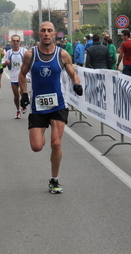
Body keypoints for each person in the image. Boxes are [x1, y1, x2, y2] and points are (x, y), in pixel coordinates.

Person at [18, 21, 83, 194]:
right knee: (37, 146)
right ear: (38, 34)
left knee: (56, 143)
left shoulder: (62, 55)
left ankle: (54, 180)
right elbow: (22, 75)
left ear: (55, 34)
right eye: (43, 31)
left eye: (50, 31)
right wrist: (24, 94)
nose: (46, 33)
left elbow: (73, 74)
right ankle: (42, 131)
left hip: (58, 104)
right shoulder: (30, 55)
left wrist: (77, 84)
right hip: (38, 107)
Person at [3, 34, 28, 119]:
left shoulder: (24, 51)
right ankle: (18, 111)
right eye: (14, 41)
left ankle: (23, 105)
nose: (15, 42)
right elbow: (2, 65)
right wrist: (5, 63)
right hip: (13, 76)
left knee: (23, 93)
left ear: (20, 42)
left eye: (17, 41)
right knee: (16, 95)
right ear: (11, 42)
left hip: (23, 76)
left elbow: (30, 62)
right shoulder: (9, 52)